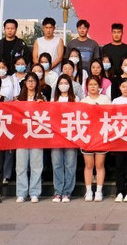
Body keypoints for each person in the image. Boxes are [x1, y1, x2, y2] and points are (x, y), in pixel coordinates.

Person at [14, 73, 47, 202]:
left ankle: (34, 192)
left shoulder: (42, 97)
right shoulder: (18, 99)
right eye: (28, 81)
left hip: (37, 135)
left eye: (33, 81)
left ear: (37, 83)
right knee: (21, 166)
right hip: (22, 136)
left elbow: (47, 114)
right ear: (25, 83)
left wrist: (42, 104)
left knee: (36, 165)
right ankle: (21, 193)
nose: (31, 83)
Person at [80, 76, 111, 202]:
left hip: (101, 135)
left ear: (100, 86)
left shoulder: (105, 99)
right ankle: (88, 191)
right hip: (87, 136)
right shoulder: (83, 101)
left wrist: (100, 109)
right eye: (90, 84)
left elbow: (110, 115)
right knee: (88, 165)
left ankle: (99, 191)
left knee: (99, 164)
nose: (93, 87)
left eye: (95, 84)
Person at [49, 74, 78, 203]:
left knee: (70, 164)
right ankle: (58, 192)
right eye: (61, 83)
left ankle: (67, 192)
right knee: (57, 164)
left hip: (71, 136)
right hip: (56, 136)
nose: (63, 85)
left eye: (66, 83)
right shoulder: (53, 99)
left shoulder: (75, 99)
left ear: (70, 85)